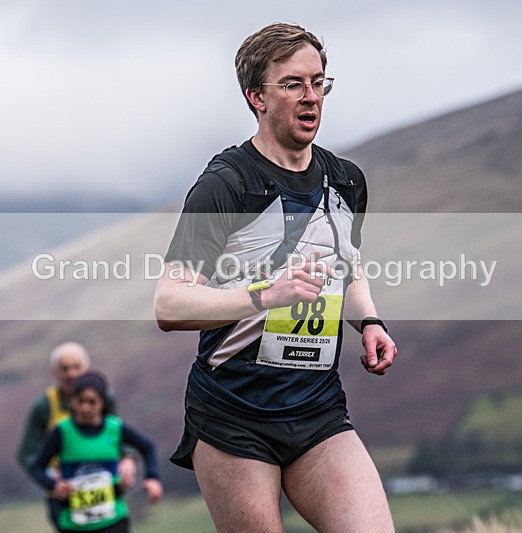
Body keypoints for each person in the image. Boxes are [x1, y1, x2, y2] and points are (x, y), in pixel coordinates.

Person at [154, 22, 397, 532]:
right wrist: (266, 294)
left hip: (318, 409)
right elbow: (170, 304)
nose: (311, 97)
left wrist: (369, 321)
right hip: (233, 414)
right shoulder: (226, 186)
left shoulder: (346, 181)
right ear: (256, 97)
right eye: (292, 84)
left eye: (319, 82)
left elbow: (346, 265)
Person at [15, 342, 137, 529]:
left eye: (76, 367)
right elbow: (25, 453)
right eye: (64, 369)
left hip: (104, 491)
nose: (71, 374)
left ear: (86, 368)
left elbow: (114, 433)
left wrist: (127, 458)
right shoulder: (43, 406)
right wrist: (51, 481)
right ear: (54, 372)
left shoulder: (105, 398)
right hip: (63, 497)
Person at [29, 371, 164, 533]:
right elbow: (36, 466)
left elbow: (147, 447)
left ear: (102, 403)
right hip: (74, 524)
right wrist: (53, 485)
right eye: (80, 401)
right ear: (72, 401)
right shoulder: (62, 431)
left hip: (114, 522)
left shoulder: (114, 428)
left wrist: (153, 478)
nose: (85, 408)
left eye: (92, 402)